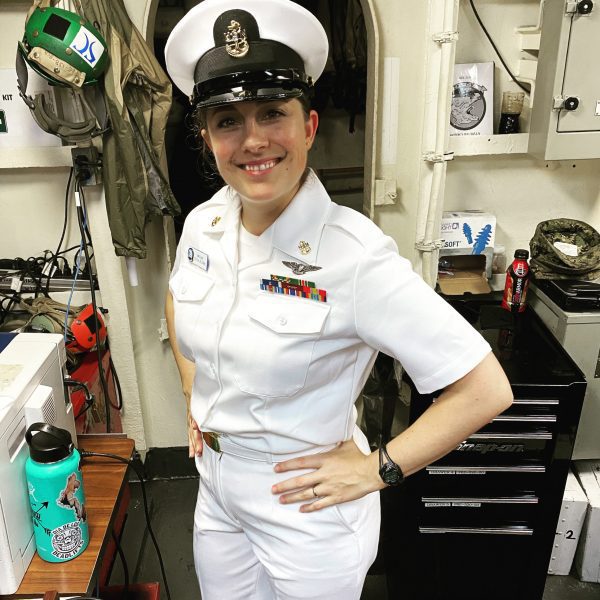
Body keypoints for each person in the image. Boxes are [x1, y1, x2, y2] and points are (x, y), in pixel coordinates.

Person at [164, 1, 513, 598]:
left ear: (309, 126)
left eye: (272, 113)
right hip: (216, 487)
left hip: (306, 503)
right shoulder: (204, 223)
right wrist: (195, 392)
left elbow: (484, 389)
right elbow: (178, 303)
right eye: (228, 120)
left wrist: (379, 468)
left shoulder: (354, 255)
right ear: (207, 136)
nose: (252, 141)